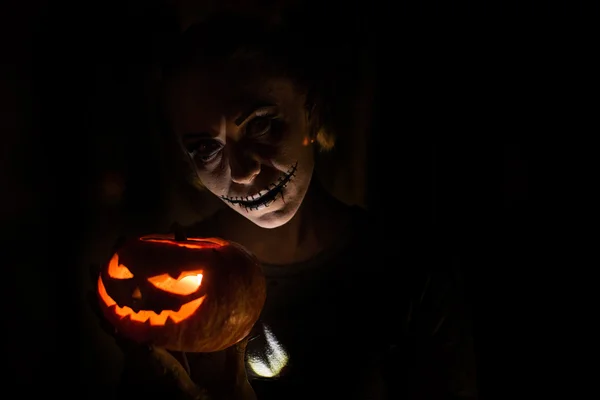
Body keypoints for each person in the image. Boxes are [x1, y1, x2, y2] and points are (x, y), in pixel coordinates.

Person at [95, 10, 479, 400]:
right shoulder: (160, 286)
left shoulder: (409, 273)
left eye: (261, 125)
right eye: (206, 149)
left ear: (311, 116)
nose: (242, 171)